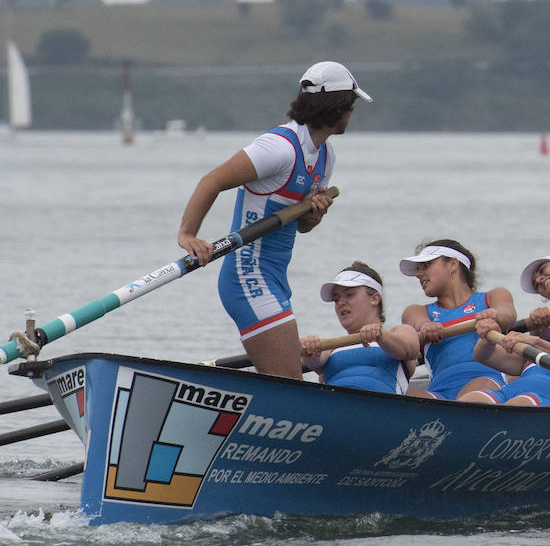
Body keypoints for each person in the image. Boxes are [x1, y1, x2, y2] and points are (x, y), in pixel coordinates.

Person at [177, 60, 370, 378]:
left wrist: (314, 214)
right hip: (247, 276)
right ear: (337, 107)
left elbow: (302, 226)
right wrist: (188, 235)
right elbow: (212, 181)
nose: (353, 112)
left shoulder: (325, 156)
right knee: (290, 382)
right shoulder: (279, 148)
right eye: (351, 104)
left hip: (276, 278)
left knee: (284, 380)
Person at [400, 239, 517, 398]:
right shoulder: (417, 311)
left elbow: (507, 314)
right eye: (418, 269)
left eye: (426, 266)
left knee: (475, 392)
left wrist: (494, 315)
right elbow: (416, 322)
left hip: (487, 384)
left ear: (453, 264)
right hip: (440, 394)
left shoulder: (492, 297)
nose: (418, 274)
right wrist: (425, 326)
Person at [301, 262, 420, 394]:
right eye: (336, 299)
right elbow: (315, 362)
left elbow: (410, 349)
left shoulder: (400, 332)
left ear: (374, 299)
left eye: (349, 294)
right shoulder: (330, 348)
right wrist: (309, 349)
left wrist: (380, 336)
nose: (341, 303)